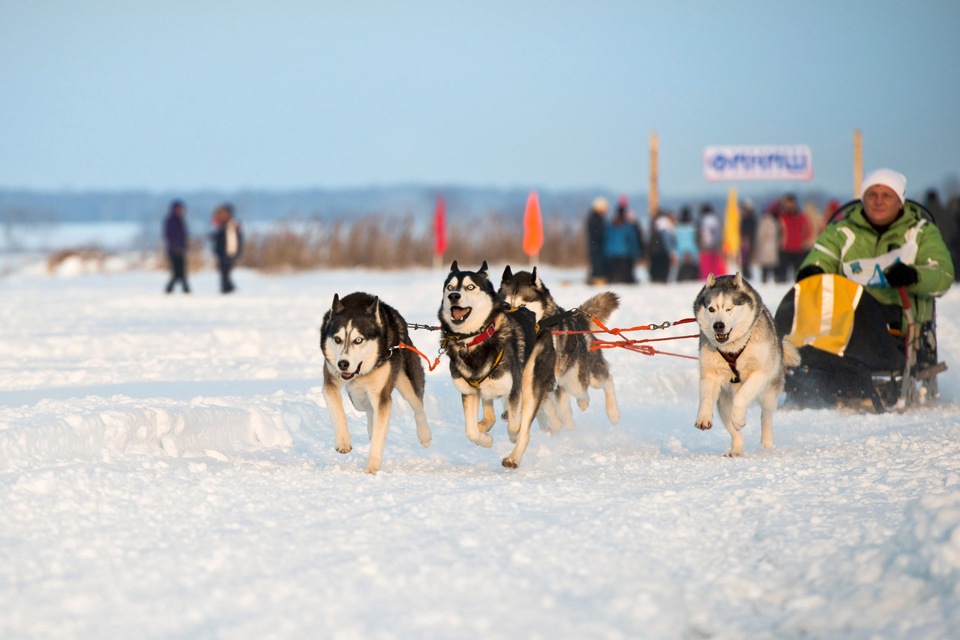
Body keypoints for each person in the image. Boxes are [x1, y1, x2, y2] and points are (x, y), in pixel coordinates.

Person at [796, 168, 954, 333]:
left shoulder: (921, 232)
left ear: (900, 202)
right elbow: (821, 258)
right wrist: (812, 272)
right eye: (872, 195)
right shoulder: (840, 231)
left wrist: (913, 276)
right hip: (848, 328)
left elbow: (942, 275)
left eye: (887, 196)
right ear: (863, 199)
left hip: (906, 330)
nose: (879, 201)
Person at [773, 193, 811, 281]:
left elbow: (807, 230)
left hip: (798, 249)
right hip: (784, 248)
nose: (789, 205)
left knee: (798, 274)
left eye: (791, 202)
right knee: (782, 274)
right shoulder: (781, 216)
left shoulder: (801, 216)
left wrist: (804, 241)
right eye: (787, 203)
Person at [603, 202, 641, 284]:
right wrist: (636, 253)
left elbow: (606, 239)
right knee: (625, 276)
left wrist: (606, 252)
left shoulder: (610, 225)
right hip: (624, 253)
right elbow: (632, 240)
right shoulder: (627, 226)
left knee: (614, 275)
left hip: (611, 254)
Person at [211, 203, 243, 294]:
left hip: (228, 252)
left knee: (225, 272)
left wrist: (234, 252)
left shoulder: (232, 225)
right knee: (224, 272)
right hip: (222, 251)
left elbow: (233, 240)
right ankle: (227, 288)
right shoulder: (224, 225)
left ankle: (227, 289)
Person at [163, 199, 190, 294]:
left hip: (180, 249)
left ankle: (182, 289)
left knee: (180, 271)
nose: (181, 211)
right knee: (177, 271)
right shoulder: (171, 220)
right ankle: (182, 289)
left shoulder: (180, 220)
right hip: (174, 249)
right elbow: (169, 235)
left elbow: (183, 235)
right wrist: (176, 245)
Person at [696, 203, 725, 279]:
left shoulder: (702, 220)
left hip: (705, 247)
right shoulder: (716, 219)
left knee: (706, 270)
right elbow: (720, 234)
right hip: (716, 247)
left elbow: (699, 234)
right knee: (717, 270)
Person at [647, 210, 676, 283]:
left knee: (656, 266)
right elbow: (667, 238)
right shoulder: (666, 223)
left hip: (654, 248)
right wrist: (670, 251)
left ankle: (655, 278)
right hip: (663, 249)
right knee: (663, 267)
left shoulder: (655, 222)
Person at [585, 196, 609, 284]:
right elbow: (598, 233)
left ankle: (597, 278)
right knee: (597, 263)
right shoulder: (595, 219)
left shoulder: (594, 218)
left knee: (597, 263)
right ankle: (597, 279)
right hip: (596, 245)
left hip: (596, 245)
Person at [755, 205, 781, 283]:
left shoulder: (762, 222)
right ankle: (776, 278)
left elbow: (760, 235)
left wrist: (760, 244)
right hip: (773, 246)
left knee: (765, 266)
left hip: (765, 247)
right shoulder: (775, 222)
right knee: (773, 264)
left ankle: (764, 279)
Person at [674, 205, 699, 281]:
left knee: (682, 272)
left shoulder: (678, 228)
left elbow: (676, 241)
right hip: (692, 252)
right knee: (694, 273)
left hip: (681, 252)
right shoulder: (693, 227)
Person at [739, 198, 758, 280]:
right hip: (745, 240)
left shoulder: (750, 219)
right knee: (744, 259)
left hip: (748, 241)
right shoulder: (746, 218)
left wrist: (747, 238)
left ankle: (748, 274)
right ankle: (746, 273)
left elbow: (750, 230)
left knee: (747, 259)